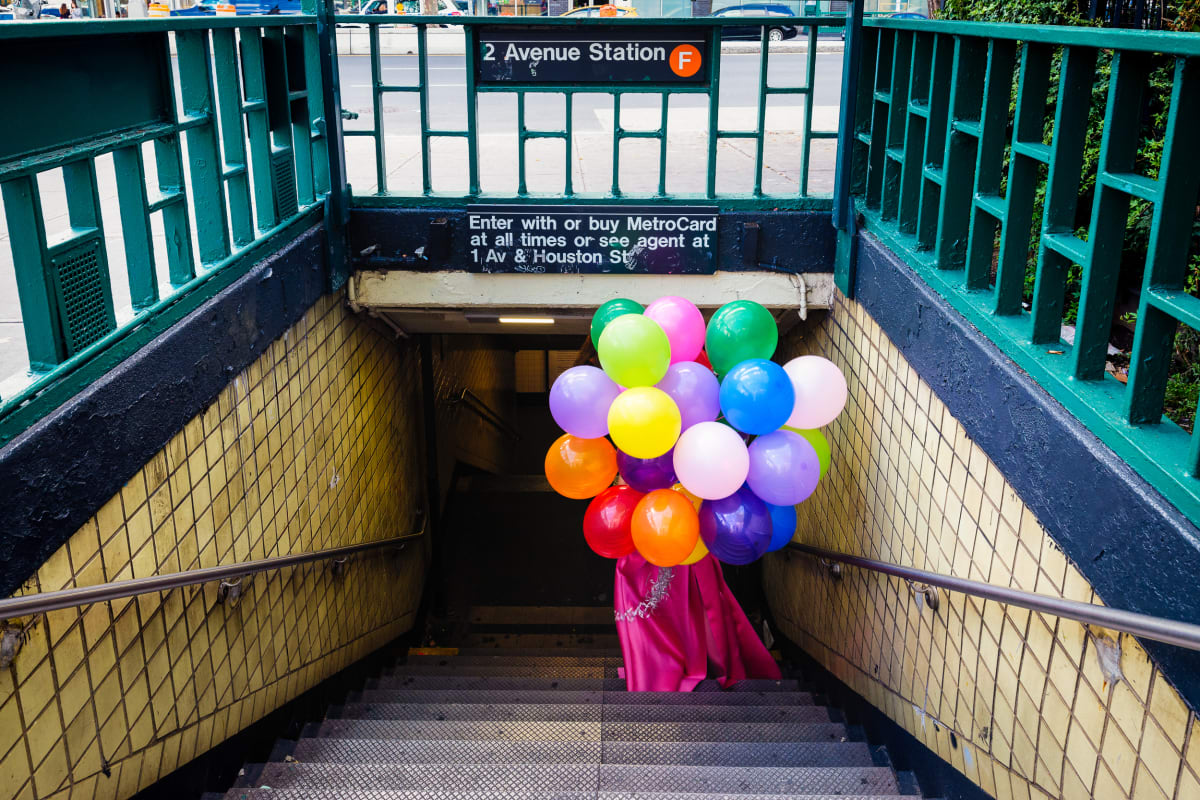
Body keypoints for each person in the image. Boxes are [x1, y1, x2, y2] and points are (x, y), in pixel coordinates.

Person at [614, 549, 781, 692]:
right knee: (650, 610)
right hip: (648, 537)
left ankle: (664, 667)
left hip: (684, 539)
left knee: (685, 606)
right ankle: (652, 669)